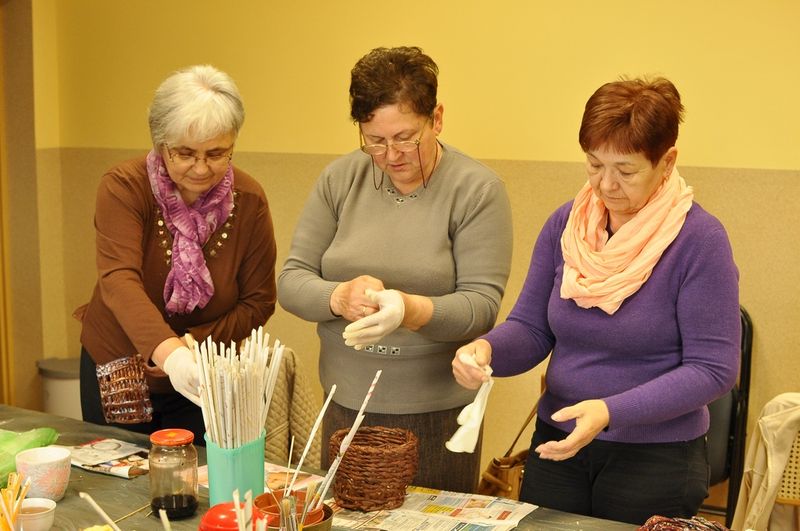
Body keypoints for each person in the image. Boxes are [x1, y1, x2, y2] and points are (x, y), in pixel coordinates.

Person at [453, 77, 740, 524]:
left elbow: (714, 368)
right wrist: (486, 351)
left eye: (625, 171)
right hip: (558, 442)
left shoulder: (699, 240)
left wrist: (610, 411)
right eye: (593, 165)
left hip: (656, 457)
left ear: (667, 162)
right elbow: (531, 328)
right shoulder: (567, 226)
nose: (606, 185)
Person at [278, 46, 513, 492]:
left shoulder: (477, 190)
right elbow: (291, 281)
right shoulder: (340, 179)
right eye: (374, 140)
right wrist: (338, 297)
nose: (391, 156)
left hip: (436, 416)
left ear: (437, 118)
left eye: (406, 137)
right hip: (343, 405)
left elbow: (480, 307)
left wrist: (408, 309)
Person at [76, 65, 277, 444]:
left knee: (201, 480)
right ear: (159, 142)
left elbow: (258, 301)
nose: (201, 168)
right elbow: (118, 280)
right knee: (122, 480)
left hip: (205, 369)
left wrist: (194, 347)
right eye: (185, 153)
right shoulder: (124, 188)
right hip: (121, 366)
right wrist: (172, 354)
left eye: (217, 153)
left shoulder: (248, 200)